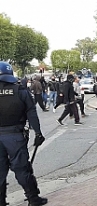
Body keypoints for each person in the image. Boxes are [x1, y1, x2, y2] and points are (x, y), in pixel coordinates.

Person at [0, 61, 47, 206]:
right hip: (14, 136)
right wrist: (38, 133)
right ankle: (33, 198)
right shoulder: (20, 90)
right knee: (22, 169)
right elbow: (31, 113)